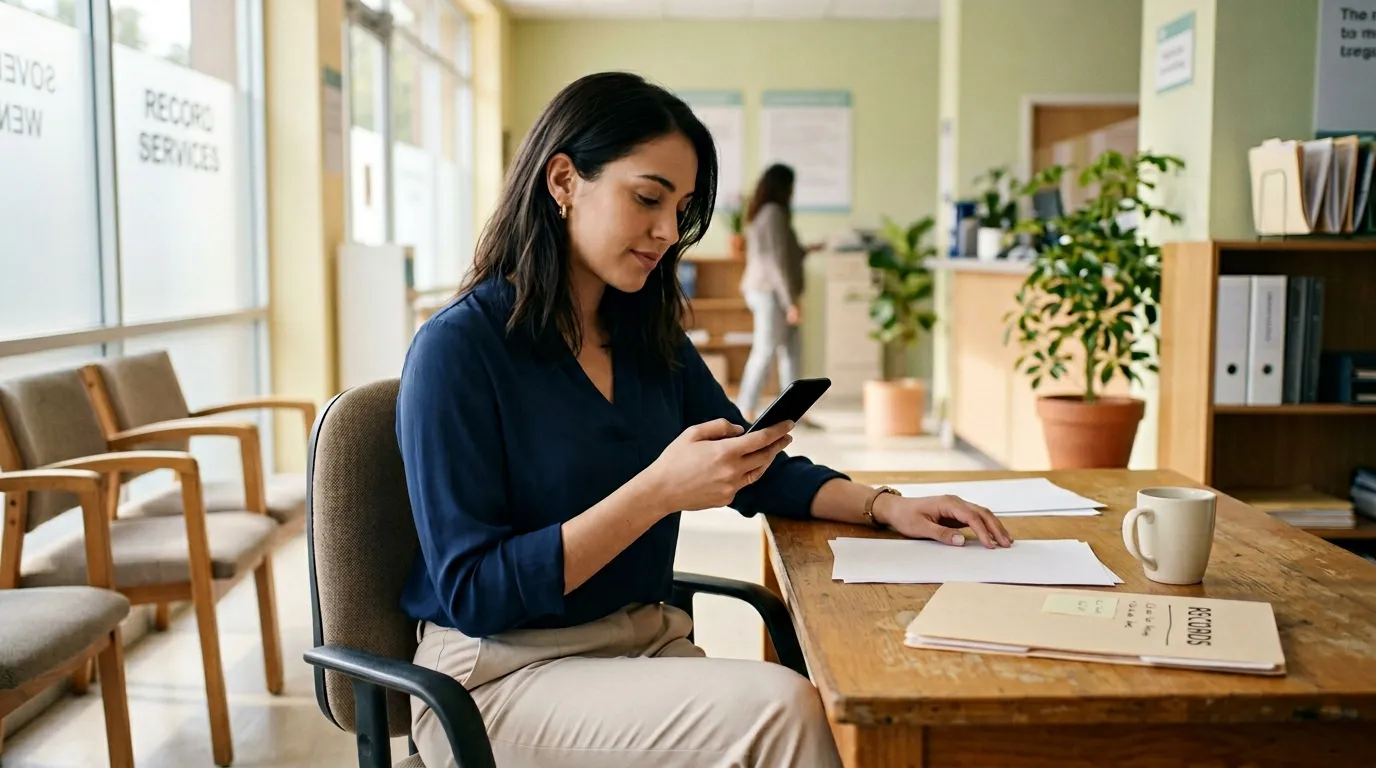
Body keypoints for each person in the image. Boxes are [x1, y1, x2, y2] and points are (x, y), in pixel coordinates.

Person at [395, 71, 1013, 768]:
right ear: (564, 181)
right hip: (499, 677)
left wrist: (882, 505)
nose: (668, 231)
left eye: (681, 208)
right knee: (781, 714)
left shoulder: (643, 335)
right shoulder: (459, 351)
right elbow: (475, 592)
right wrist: (657, 491)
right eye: (648, 198)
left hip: (638, 642)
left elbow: (751, 464)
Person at [736, 164, 818, 421]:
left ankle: (796, 411)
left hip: (776, 292)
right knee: (766, 349)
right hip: (770, 292)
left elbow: (785, 254)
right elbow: (776, 262)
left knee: (792, 351)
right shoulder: (773, 213)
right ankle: (745, 408)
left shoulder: (771, 213)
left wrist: (807, 250)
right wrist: (790, 302)